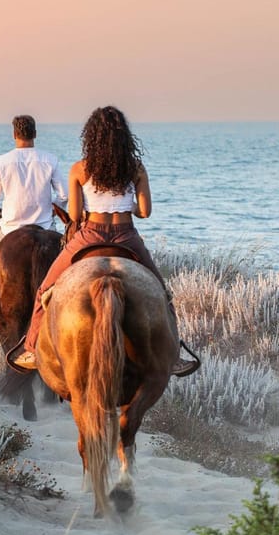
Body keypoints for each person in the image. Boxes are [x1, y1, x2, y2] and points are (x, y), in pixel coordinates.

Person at [15, 106, 198, 376]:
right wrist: (129, 206)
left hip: (90, 235)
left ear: (91, 136)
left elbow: (75, 214)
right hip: (127, 236)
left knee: (45, 289)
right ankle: (173, 356)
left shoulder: (80, 169)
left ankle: (31, 349)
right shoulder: (135, 167)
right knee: (162, 294)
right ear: (124, 136)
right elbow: (145, 212)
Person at [0, 115, 67, 327]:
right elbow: (64, 195)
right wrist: (52, 212)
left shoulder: (2, 162)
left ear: (14, 134)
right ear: (35, 133)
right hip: (45, 228)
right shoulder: (50, 159)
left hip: (10, 229)